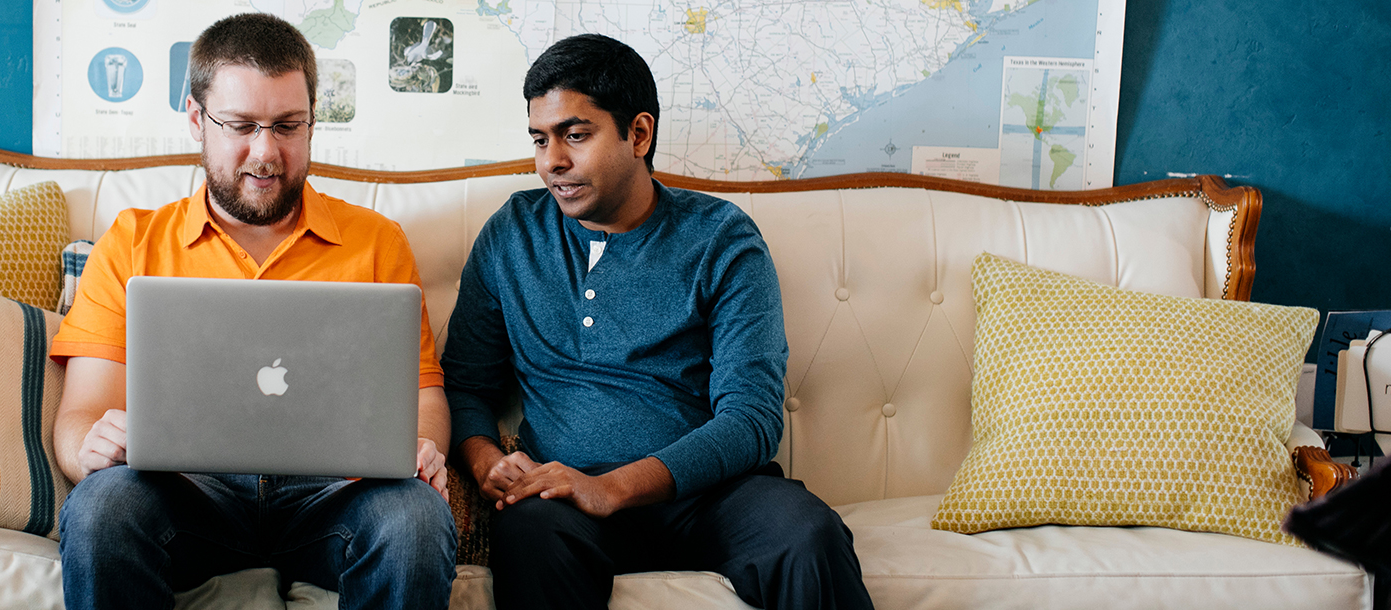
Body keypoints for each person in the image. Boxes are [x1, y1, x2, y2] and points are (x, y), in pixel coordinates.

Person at [441, 34, 873, 610]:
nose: (553, 162)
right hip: (561, 499)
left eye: (575, 135)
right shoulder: (512, 234)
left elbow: (753, 416)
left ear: (638, 134)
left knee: (808, 535)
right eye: (540, 140)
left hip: (708, 495)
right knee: (529, 535)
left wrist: (612, 488)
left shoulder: (721, 238)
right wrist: (487, 460)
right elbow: (467, 384)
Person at [49, 13, 456, 610]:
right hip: (185, 494)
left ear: (314, 120)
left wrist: (421, 448)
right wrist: (91, 444)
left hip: (337, 497)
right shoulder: (133, 241)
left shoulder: (377, 242)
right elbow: (80, 414)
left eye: (289, 126)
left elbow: (423, 399)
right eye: (241, 125)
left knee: (416, 519)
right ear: (196, 119)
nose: (266, 153)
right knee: (102, 506)